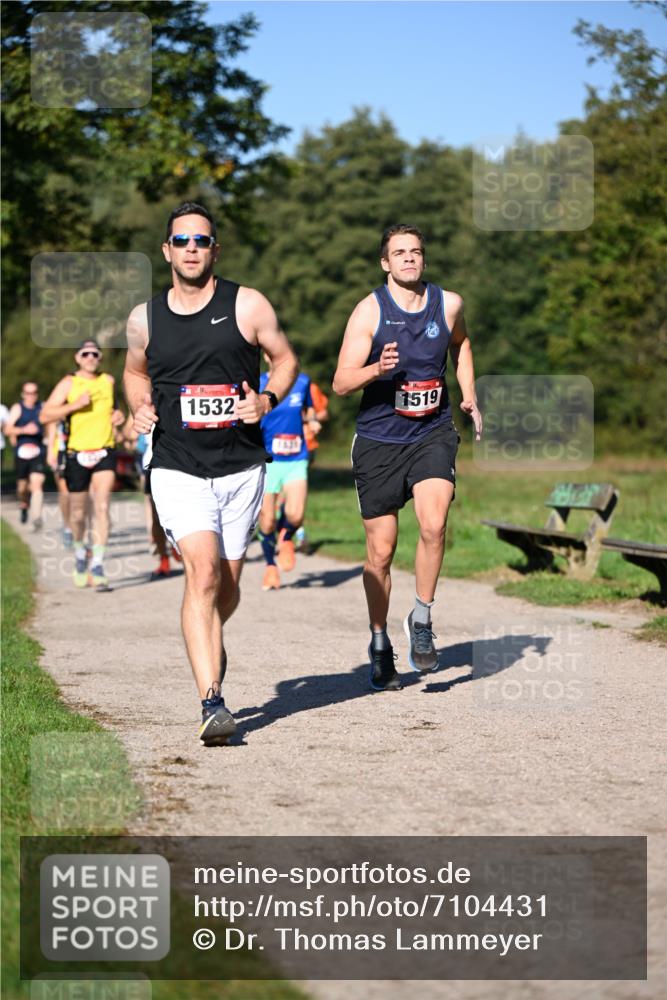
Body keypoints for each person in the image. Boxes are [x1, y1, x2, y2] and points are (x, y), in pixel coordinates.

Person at [123, 201, 298, 747]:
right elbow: (133, 372)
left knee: (225, 586)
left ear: (214, 249)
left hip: (241, 466)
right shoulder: (143, 317)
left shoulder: (246, 305)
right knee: (200, 575)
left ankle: (212, 634)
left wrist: (266, 399)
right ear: (167, 250)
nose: (192, 249)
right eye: (182, 241)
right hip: (177, 465)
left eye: (202, 240)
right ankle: (212, 702)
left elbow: (285, 359)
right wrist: (139, 406)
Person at [333, 224, 482, 691]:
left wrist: (469, 394)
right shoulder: (368, 312)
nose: (409, 260)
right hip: (379, 439)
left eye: (416, 252)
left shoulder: (449, 304)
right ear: (385, 263)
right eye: (399, 253)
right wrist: (378, 368)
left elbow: (461, 345)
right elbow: (339, 382)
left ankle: (422, 619)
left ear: (424, 258)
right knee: (381, 551)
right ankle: (379, 640)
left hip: (432, 431)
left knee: (434, 524)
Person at [40, 340, 125, 589]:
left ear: (100, 358)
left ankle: (97, 562)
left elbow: (115, 411)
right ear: (77, 358)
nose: (90, 357)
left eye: (95, 353)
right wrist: (75, 405)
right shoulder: (69, 383)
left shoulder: (108, 381)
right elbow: (45, 414)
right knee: (78, 514)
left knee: (101, 506)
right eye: (85, 353)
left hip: (104, 450)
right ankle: (80, 552)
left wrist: (118, 416)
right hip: (77, 453)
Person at [257, 362, 316, 590]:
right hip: (268, 460)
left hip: (296, 458)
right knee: (268, 519)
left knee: (296, 514)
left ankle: (287, 536)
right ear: (268, 358)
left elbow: (309, 409)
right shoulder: (259, 383)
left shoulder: (302, 382)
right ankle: (270, 567)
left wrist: (311, 422)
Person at [4, 382, 47, 529]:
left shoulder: (43, 407)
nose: (31, 396)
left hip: (38, 451)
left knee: (37, 484)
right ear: (23, 394)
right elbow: (8, 430)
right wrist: (24, 430)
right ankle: (24, 504)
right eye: (28, 393)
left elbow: (51, 425)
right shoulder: (18, 408)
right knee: (22, 487)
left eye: (34, 392)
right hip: (21, 452)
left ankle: (36, 516)